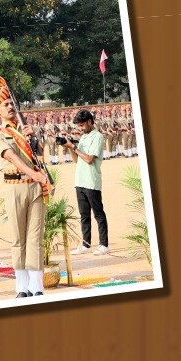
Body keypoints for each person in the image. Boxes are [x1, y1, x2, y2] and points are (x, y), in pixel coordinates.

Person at [0, 76, 50, 299]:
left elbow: (40, 154)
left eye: (11, 103)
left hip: (34, 187)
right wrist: (33, 173)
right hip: (14, 186)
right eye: (5, 105)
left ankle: (37, 286)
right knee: (18, 238)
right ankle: (21, 286)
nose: (10, 107)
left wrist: (35, 138)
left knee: (36, 237)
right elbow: (11, 156)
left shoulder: (25, 129)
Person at [64, 109, 110, 255]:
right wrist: (70, 148)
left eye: (82, 125)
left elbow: (90, 159)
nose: (81, 128)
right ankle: (86, 244)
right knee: (84, 214)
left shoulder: (97, 137)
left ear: (90, 122)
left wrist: (74, 147)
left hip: (91, 180)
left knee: (98, 213)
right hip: (80, 180)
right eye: (79, 126)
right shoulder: (83, 137)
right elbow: (76, 159)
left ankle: (104, 244)